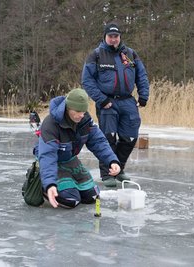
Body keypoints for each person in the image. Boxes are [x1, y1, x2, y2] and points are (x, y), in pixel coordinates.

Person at [81, 22, 150, 187]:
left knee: (130, 137)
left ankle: (118, 169)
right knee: (108, 138)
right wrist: (101, 99)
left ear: (120, 37)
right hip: (107, 102)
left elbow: (142, 75)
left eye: (116, 36)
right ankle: (107, 174)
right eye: (110, 36)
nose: (113, 39)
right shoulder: (96, 55)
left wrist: (143, 95)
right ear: (105, 37)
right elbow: (87, 81)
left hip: (128, 101)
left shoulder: (131, 54)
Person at [37, 88, 121, 208]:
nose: (81, 115)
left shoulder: (85, 119)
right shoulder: (50, 124)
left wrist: (112, 160)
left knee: (92, 196)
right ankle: (44, 187)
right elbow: (47, 155)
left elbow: (98, 142)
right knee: (71, 200)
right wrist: (49, 184)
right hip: (54, 163)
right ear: (68, 108)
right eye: (77, 111)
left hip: (71, 160)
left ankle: (70, 184)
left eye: (83, 111)